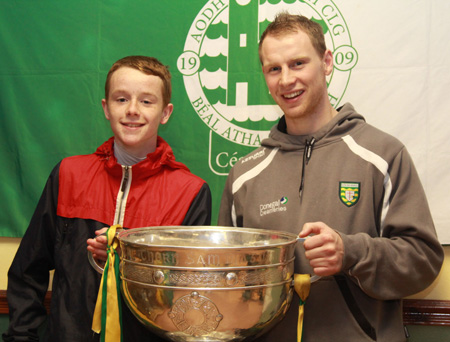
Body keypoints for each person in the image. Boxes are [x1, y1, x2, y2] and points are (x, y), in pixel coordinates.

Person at [218, 13, 444, 342]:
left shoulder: (382, 155)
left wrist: (351, 252)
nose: (286, 80)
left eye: (298, 63)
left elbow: (422, 260)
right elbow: (227, 278)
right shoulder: (244, 176)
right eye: (274, 69)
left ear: (326, 63)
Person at [3, 55, 212, 342]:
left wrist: (130, 260)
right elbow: (28, 271)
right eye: (121, 99)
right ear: (106, 107)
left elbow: (191, 293)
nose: (133, 110)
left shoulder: (190, 192)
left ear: (165, 112)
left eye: (147, 101)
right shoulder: (68, 175)